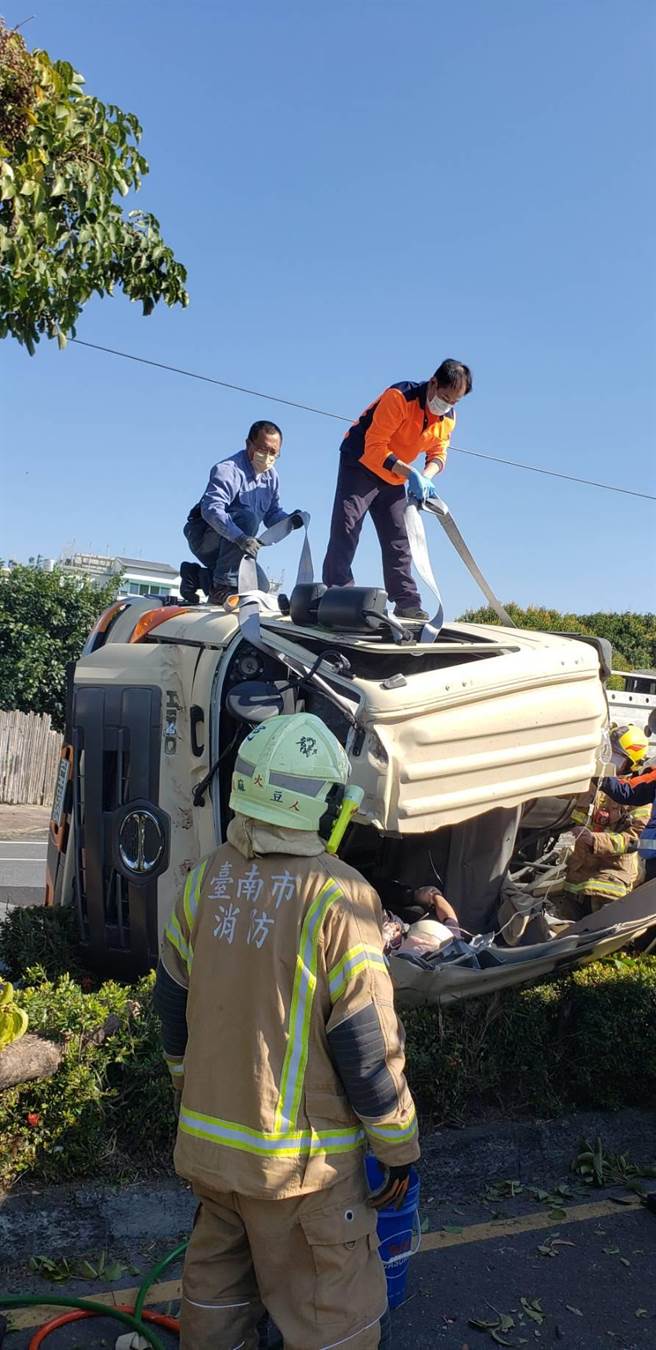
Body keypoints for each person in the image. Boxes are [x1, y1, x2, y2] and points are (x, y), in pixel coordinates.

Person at [154, 712, 419, 1350]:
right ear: (325, 806)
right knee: (334, 1317)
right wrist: (398, 1147)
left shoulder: (206, 880)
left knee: (216, 1299)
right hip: (299, 1171)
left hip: (212, 1156)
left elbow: (171, 1006)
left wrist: (193, 1092)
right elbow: (365, 1045)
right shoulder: (340, 896)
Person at [322, 359, 472, 620]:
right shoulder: (399, 397)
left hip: (395, 475)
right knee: (348, 525)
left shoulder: (448, 418)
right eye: (445, 397)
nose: (447, 405)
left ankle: (407, 602)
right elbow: (375, 447)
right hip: (360, 463)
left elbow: (438, 452)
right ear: (433, 383)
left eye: (454, 402)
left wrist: (426, 477)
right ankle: (338, 592)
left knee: (398, 539)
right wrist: (411, 473)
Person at [181, 420, 303, 605]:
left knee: (258, 587)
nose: (268, 456)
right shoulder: (229, 470)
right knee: (247, 518)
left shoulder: (271, 478)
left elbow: (272, 514)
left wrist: (289, 522)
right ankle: (222, 587)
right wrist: (239, 537)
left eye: (273, 452)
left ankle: (196, 576)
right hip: (205, 537)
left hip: (233, 549)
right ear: (248, 444)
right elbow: (211, 509)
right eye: (263, 449)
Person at [562, 725, 651, 911]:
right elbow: (566, 802)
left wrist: (595, 840)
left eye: (617, 758)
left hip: (610, 884)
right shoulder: (595, 783)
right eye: (609, 752)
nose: (610, 761)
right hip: (577, 877)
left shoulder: (640, 797)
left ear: (632, 764)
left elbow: (635, 840)